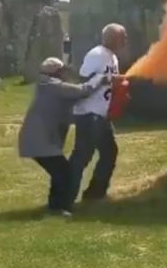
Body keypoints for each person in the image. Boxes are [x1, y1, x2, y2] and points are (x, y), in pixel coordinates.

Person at [17, 57, 110, 217]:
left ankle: (55, 206)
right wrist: (99, 79)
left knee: (60, 171)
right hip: (40, 141)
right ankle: (57, 208)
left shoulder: (46, 84)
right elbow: (83, 91)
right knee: (63, 172)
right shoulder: (52, 86)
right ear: (57, 72)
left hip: (40, 139)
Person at [69, 23, 126, 205]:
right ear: (110, 38)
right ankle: (64, 198)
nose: (125, 41)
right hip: (89, 114)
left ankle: (95, 194)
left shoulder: (113, 57)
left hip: (101, 115)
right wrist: (109, 80)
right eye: (122, 37)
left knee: (109, 152)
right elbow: (83, 80)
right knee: (82, 157)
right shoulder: (97, 55)